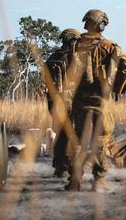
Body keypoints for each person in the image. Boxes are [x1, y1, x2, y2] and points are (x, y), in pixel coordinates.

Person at [66, 9, 126, 192]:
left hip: (79, 99)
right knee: (101, 139)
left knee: (77, 140)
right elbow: (125, 66)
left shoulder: (74, 45)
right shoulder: (110, 47)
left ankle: (74, 181)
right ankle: (99, 180)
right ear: (101, 24)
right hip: (102, 100)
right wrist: (116, 88)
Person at [45, 28, 81, 177]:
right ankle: (68, 166)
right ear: (72, 41)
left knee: (60, 133)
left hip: (53, 101)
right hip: (68, 101)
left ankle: (59, 167)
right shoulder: (74, 58)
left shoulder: (52, 57)